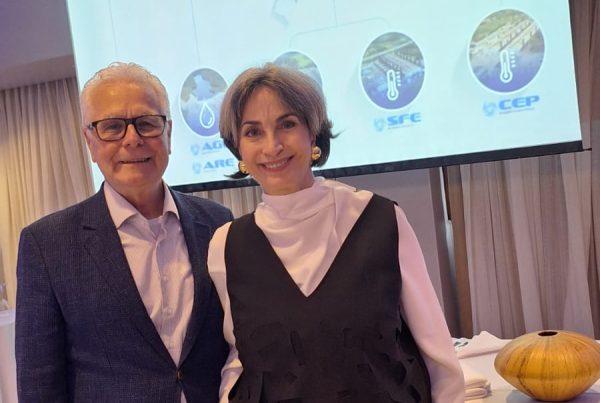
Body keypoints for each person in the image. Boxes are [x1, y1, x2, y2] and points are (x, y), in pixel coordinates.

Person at [207, 63, 464, 403]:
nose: (272, 146)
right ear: (238, 148)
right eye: (253, 132)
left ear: (312, 132)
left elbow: (438, 355)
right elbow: (241, 360)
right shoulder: (227, 245)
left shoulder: (381, 220)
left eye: (287, 124)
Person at [15, 62, 232, 402]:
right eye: (112, 127)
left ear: (169, 133)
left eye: (147, 123)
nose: (132, 139)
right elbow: (39, 384)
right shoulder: (47, 245)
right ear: (90, 141)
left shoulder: (218, 223)